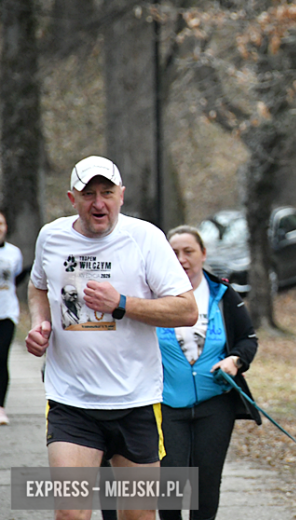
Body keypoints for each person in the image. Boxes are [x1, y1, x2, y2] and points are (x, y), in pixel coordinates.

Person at [25, 155, 198, 520]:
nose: (98, 203)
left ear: (122, 195)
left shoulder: (145, 238)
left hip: (136, 400)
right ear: (72, 199)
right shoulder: (51, 237)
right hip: (71, 399)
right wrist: (41, 324)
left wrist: (121, 303)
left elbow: (186, 309)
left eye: (107, 193)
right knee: (70, 513)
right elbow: (38, 285)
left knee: (137, 515)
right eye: (88, 194)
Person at [156, 226, 261, 520]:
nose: (181, 259)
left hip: (215, 403)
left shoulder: (223, 294)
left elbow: (248, 339)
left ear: (203, 254)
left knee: (206, 482)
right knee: (170, 480)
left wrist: (235, 361)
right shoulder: (153, 296)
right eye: (174, 253)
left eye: (188, 251)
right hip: (166, 403)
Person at [0, 210, 24, 425]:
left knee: (1, 359)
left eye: (1, 223)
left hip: (6, 313)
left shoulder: (14, 253)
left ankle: (0, 407)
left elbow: (15, 279)